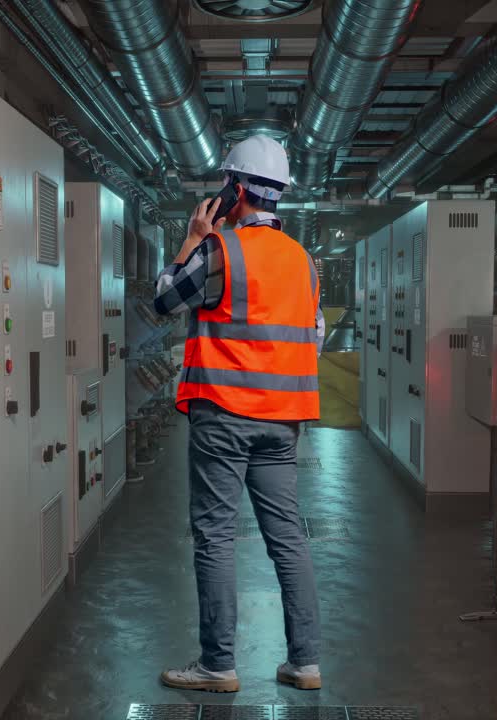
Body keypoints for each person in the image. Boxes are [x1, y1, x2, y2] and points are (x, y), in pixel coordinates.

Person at [153, 135, 324, 693]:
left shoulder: (219, 250)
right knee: (288, 539)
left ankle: (218, 665)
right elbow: (312, 336)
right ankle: (304, 663)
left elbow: (163, 299)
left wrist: (191, 239)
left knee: (217, 536)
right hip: (282, 422)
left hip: (224, 415)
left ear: (237, 189)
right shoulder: (305, 263)